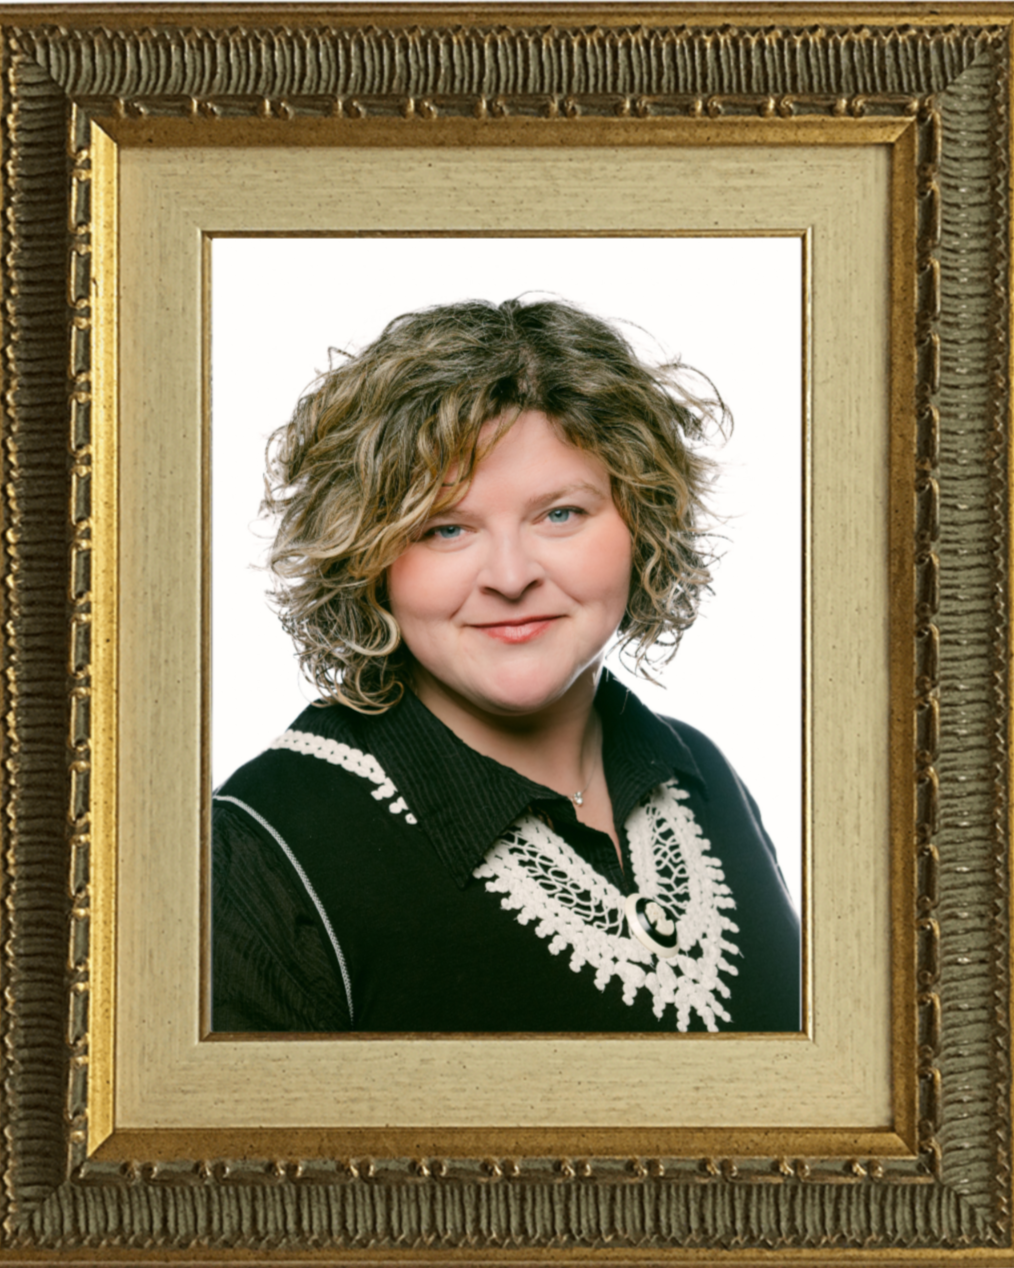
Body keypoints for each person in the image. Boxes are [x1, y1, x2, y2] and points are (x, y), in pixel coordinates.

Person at [212, 297, 800, 1034]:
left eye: (560, 514)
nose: (511, 575)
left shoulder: (704, 776)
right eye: (446, 528)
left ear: (641, 524)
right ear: (366, 557)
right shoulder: (260, 844)